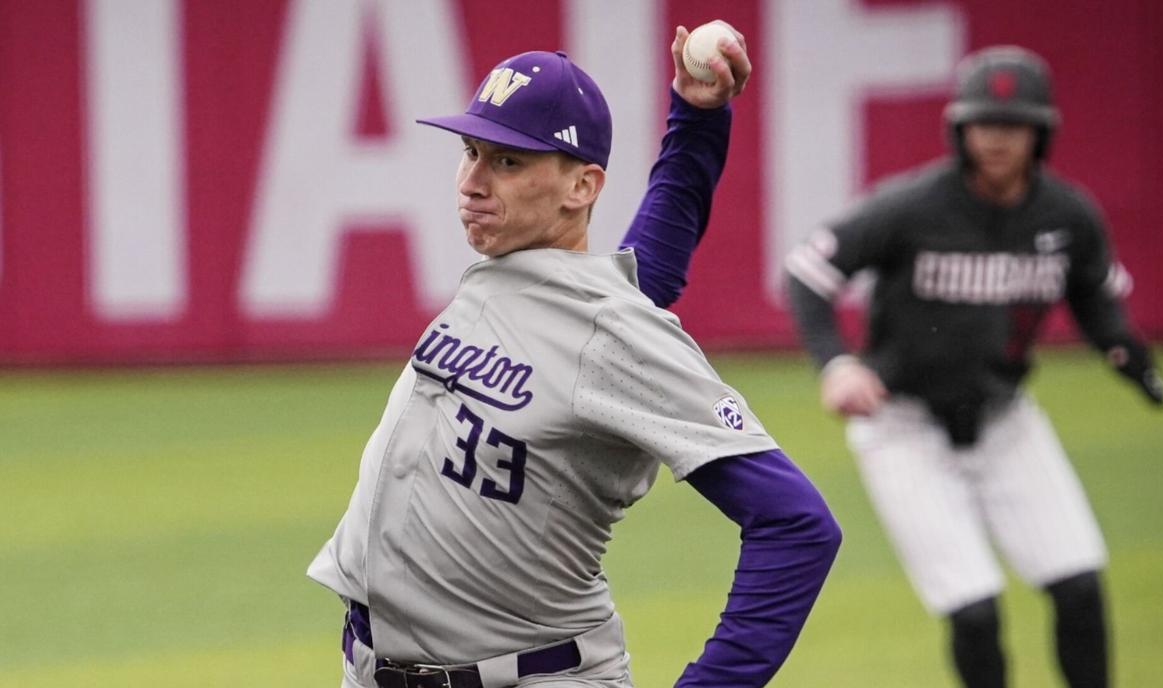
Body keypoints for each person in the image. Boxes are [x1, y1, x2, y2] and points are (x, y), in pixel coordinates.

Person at [309, 25, 842, 688]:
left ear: (582, 187)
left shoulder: (611, 334)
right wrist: (698, 117)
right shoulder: (533, 279)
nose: (473, 181)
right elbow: (654, 252)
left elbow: (796, 525)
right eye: (470, 152)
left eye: (507, 162)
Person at [785, 45, 1163, 688]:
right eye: (983, 123)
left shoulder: (1067, 215)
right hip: (904, 428)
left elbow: (1096, 298)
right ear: (960, 129)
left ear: (1039, 133)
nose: (996, 138)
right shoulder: (912, 206)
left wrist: (1124, 352)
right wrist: (837, 364)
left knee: (1078, 586)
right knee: (974, 610)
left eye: (1013, 125)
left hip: (1004, 419)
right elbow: (806, 274)